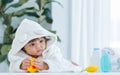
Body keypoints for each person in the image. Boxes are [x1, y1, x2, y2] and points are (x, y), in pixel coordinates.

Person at [8, 18, 82, 72]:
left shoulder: (51, 50)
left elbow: (58, 63)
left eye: (41, 41)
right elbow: (12, 67)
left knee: (70, 66)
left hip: (61, 63)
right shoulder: (20, 55)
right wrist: (20, 65)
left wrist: (46, 65)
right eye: (32, 44)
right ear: (23, 48)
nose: (39, 46)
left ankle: (71, 63)